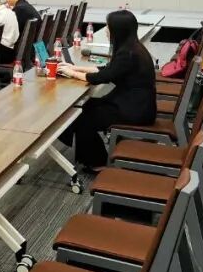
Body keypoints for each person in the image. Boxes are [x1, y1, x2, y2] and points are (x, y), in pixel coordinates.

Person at [57, 10, 156, 170]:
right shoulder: (132, 48)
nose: (106, 30)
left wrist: (72, 73)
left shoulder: (128, 53)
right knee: (85, 106)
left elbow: (101, 77)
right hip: (134, 103)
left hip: (134, 111)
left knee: (82, 117)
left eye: (108, 27)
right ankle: (84, 152)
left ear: (118, 30)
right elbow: (108, 69)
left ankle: (97, 162)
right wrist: (75, 68)